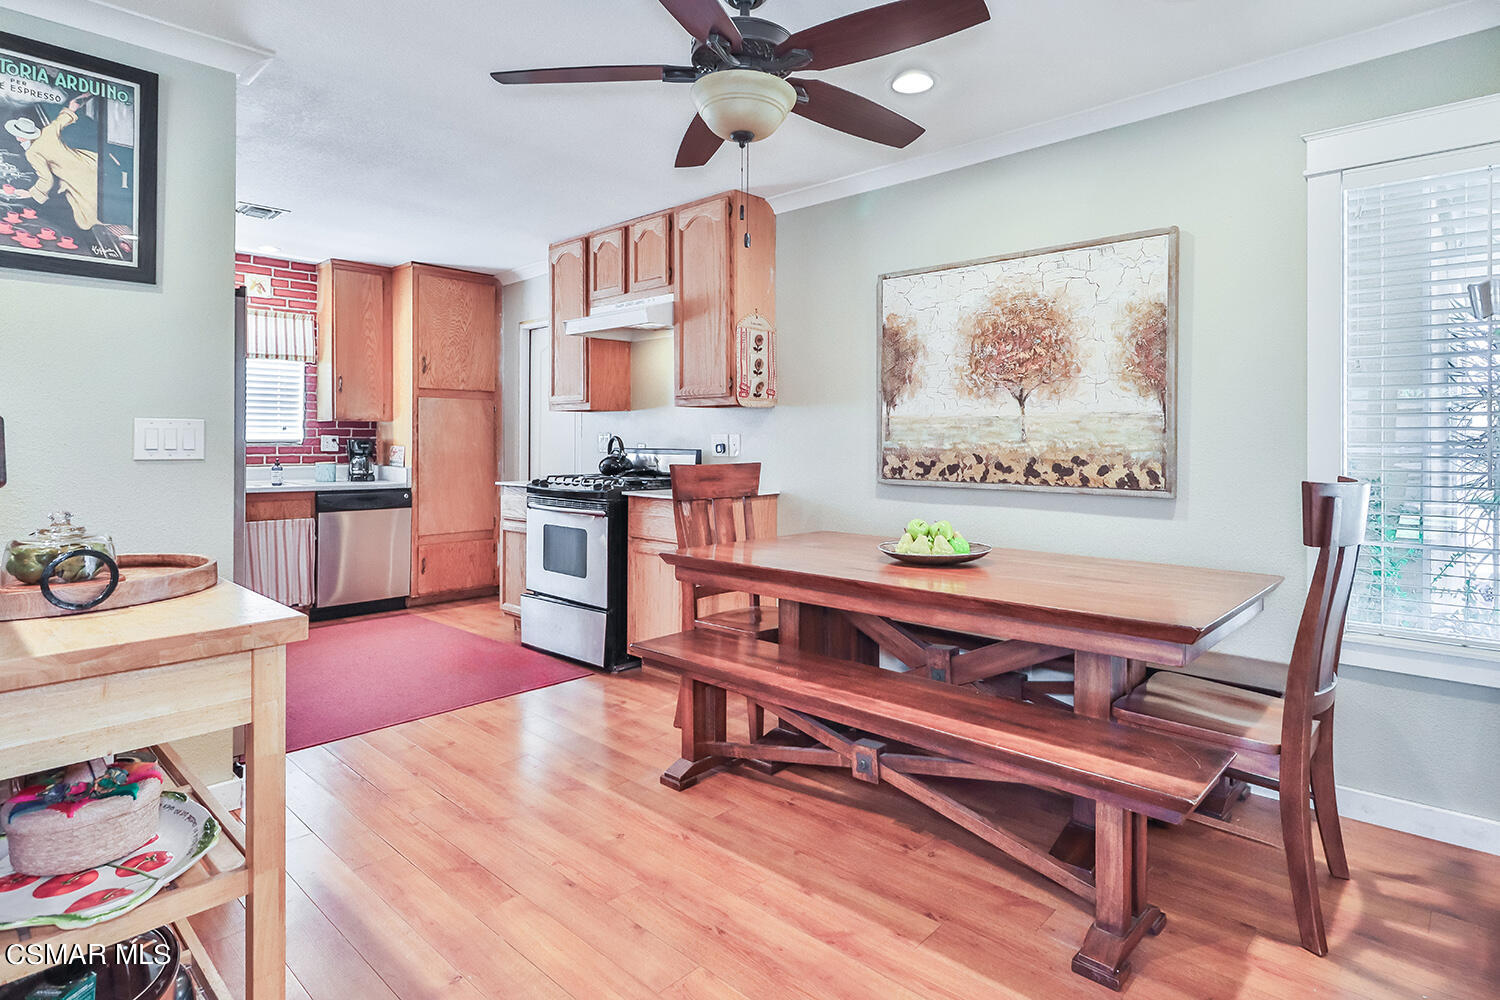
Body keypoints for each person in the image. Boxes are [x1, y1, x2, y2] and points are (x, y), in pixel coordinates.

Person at [5, 97, 100, 231]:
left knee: (87, 212)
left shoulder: (32, 153)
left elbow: (46, 179)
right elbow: (61, 120)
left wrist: (31, 193)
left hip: (75, 177)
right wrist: (72, 107)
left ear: (20, 136)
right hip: (88, 161)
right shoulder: (48, 132)